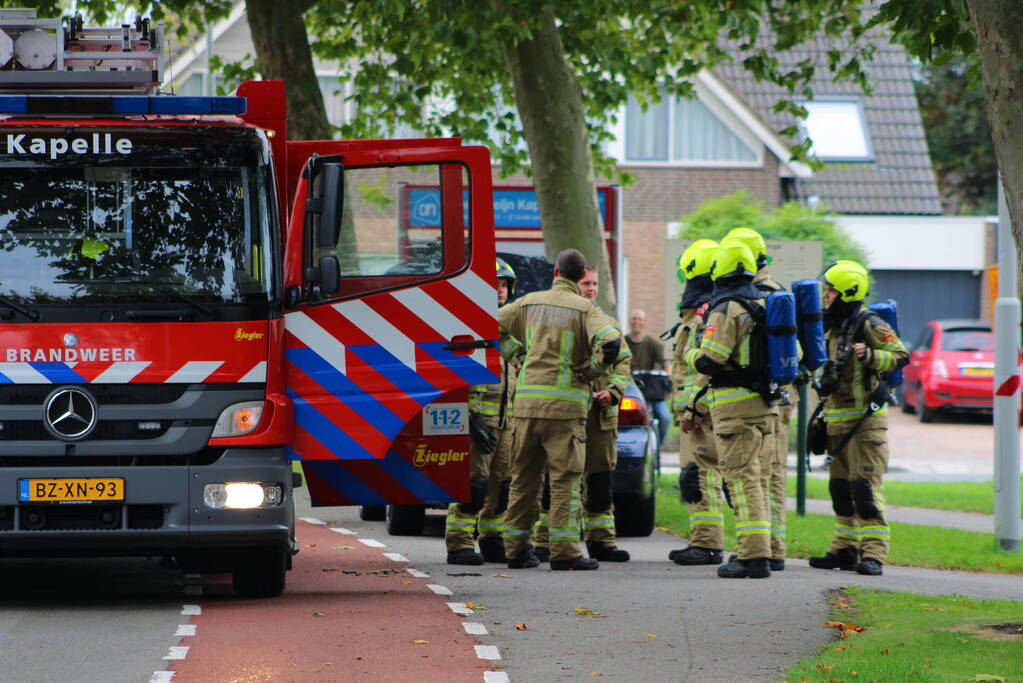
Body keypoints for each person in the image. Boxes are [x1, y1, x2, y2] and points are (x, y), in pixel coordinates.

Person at [499, 249, 622, 570]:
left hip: (526, 407)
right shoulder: (584, 308)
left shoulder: (527, 303)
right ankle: (565, 552)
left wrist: (516, 354)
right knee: (565, 480)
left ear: (555, 272)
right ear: (580, 277)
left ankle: (515, 549)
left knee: (523, 480)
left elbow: (488, 324)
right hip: (565, 410)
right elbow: (611, 342)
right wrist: (593, 369)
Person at [809, 260, 908, 576]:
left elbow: (901, 355)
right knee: (841, 490)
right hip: (837, 421)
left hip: (866, 424)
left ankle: (873, 555)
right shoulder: (835, 325)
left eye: (831, 290)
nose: (826, 295)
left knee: (864, 489)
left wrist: (872, 356)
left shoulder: (871, 324)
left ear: (848, 292)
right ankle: (844, 550)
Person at [686, 240, 777, 579]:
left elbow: (710, 359)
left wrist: (687, 356)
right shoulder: (763, 301)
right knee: (755, 479)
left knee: (741, 482)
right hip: (764, 405)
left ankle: (753, 557)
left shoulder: (726, 308)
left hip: (734, 409)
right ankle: (758, 552)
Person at [723, 227, 791, 571]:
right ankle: (773, 548)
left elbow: (716, 355)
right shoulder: (777, 295)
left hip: (745, 401)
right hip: (776, 399)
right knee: (770, 474)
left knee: (750, 475)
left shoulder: (741, 300)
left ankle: (756, 552)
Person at [445, 258, 519, 564]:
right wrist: (471, 417)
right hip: (480, 421)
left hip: (505, 421)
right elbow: (457, 376)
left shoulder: (504, 333)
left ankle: (492, 538)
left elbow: (526, 361)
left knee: (500, 486)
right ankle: (460, 543)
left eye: (504, 285)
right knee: (473, 484)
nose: (500, 291)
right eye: (495, 284)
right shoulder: (467, 329)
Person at [668, 239, 728, 566]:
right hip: (694, 409)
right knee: (696, 474)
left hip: (700, 412)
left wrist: (694, 407)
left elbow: (704, 366)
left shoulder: (707, 314)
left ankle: (707, 545)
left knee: (700, 474)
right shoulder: (701, 312)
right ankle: (703, 541)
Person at [626, 309, 671, 447]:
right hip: (629, 389)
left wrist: (669, 375)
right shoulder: (623, 341)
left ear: (645, 323)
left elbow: (665, 363)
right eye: (634, 318)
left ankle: (658, 447)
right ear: (629, 321)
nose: (636, 322)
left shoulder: (653, 343)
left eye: (640, 319)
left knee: (664, 417)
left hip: (650, 390)